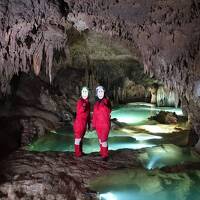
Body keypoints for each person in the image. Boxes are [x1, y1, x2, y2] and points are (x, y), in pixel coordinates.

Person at [92, 86, 111, 160]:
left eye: (101, 91)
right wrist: (93, 125)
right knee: (100, 139)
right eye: (99, 92)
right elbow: (94, 115)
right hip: (98, 125)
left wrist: (105, 104)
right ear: (97, 93)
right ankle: (101, 152)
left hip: (105, 124)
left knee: (103, 140)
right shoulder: (96, 104)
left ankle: (105, 155)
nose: (100, 93)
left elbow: (109, 110)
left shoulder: (106, 101)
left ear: (104, 92)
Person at [73, 86, 90, 157]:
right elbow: (78, 111)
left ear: (88, 93)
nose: (84, 93)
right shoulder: (80, 101)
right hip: (79, 123)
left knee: (81, 138)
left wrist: (89, 124)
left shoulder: (87, 102)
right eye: (83, 91)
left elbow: (88, 114)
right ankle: (77, 153)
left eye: (86, 92)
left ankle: (80, 151)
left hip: (84, 123)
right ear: (81, 93)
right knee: (78, 138)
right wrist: (83, 107)